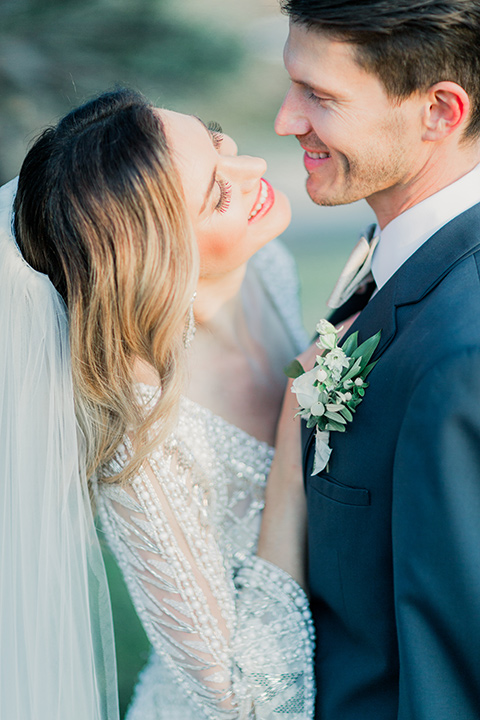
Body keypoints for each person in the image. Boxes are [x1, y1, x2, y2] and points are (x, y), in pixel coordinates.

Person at [0, 88, 315, 720]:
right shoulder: (141, 433)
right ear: (160, 262)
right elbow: (244, 701)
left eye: (219, 138)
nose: (253, 168)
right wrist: (292, 440)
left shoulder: (270, 268)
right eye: (219, 194)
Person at [275, 1, 480, 718]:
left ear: (440, 112)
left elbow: (452, 671)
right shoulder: (386, 255)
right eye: (292, 85)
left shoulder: (463, 350)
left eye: (321, 98)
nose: (285, 120)